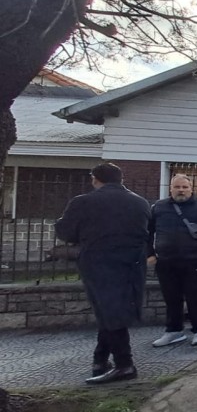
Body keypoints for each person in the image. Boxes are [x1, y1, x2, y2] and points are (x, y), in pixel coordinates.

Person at [55, 163, 151, 385]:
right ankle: (100, 360)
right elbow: (146, 232)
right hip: (132, 264)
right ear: (121, 179)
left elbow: (66, 232)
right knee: (112, 310)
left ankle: (125, 364)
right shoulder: (140, 202)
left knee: (108, 310)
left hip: (99, 263)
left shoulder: (83, 202)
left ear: (95, 178)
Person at [148, 174, 197, 347]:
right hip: (166, 261)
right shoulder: (158, 207)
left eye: (184, 187)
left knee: (194, 297)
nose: (181, 190)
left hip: (195, 261)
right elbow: (148, 231)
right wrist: (149, 254)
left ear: (191, 188)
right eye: (177, 187)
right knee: (171, 298)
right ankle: (173, 331)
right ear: (171, 188)